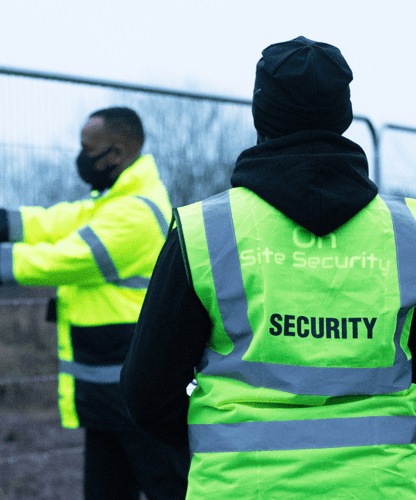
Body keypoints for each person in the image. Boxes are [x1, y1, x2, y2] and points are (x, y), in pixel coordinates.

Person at [120, 37, 416, 499]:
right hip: (379, 485)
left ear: (262, 112)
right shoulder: (408, 231)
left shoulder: (204, 230)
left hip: (242, 484)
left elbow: (147, 393)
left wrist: (218, 437)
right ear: (344, 115)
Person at [0, 107, 191, 500]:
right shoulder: (113, 201)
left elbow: (62, 259)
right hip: (109, 388)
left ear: (116, 153)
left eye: (89, 149)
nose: (81, 157)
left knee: (168, 489)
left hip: (134, 390)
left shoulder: (134, 213)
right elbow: (52, 222)